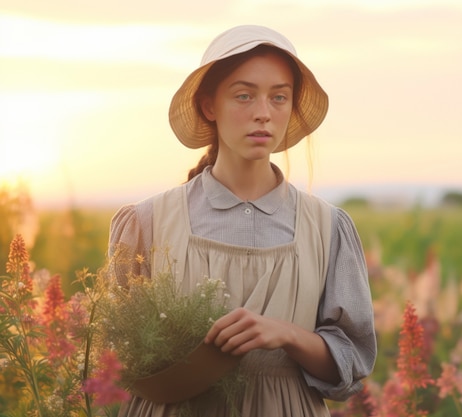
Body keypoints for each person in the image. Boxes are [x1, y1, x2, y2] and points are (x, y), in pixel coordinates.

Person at [107, 24, 376, 417]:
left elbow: (351, 363)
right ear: (208, 106)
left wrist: (286, 334)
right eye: (244, 95)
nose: (263, 113)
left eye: (279, 97)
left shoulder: (327, 227)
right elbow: (118, 358)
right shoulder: (147, 222)